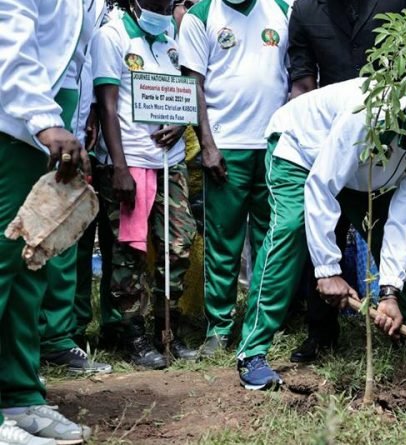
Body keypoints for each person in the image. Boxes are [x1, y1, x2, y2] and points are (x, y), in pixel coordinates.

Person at [235, 79, 406, 390]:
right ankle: (252, 352)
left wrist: (388, 293)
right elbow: (321, 185)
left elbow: (404, 222)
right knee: (291, 228)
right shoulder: (367, 113)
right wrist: (327, 271)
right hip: (302, 150)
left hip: (364, 173)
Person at [285, 0, 406, 363]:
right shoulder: (306, 10)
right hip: (330, 139)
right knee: (323, 234)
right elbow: (303, 80)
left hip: (385, 144)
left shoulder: (395, 3)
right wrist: (319, 145)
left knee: (392, 232)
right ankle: (321, 334)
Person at [0, 0, 95, 443]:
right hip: (14, 128)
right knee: (2, 264)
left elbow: (71, 64)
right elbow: (9, 37)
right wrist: (43, 120)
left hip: (47, 135)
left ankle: (18, 395)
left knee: (28, 267)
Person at [178, 0, 292, 358]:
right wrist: (208, 145)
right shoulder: (200, 16)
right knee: (223, 242)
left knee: (269, 238)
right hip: (226, 147)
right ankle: (219, 327)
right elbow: (193, 84)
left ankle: (263, 322)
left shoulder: (282, 9)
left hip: (274, 144)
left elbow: (295, 78)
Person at [92, 0, 198, 369]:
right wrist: (118, 166)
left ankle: (168, 328)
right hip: (129, 162)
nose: (167, 4)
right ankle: (134, 334)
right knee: (129, 253)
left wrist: (181, 123)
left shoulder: (171, 35)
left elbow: (181, 92)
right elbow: (106, 105)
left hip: (171, 162)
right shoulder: (113, 35)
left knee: (180, 243)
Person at [37, 0, 114, 376]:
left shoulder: (100, 7)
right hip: (39, 109)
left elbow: (82, 62)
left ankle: (55, 338)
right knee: (25, 231)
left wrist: (88, 116)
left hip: (74, 115)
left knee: (63, 233)